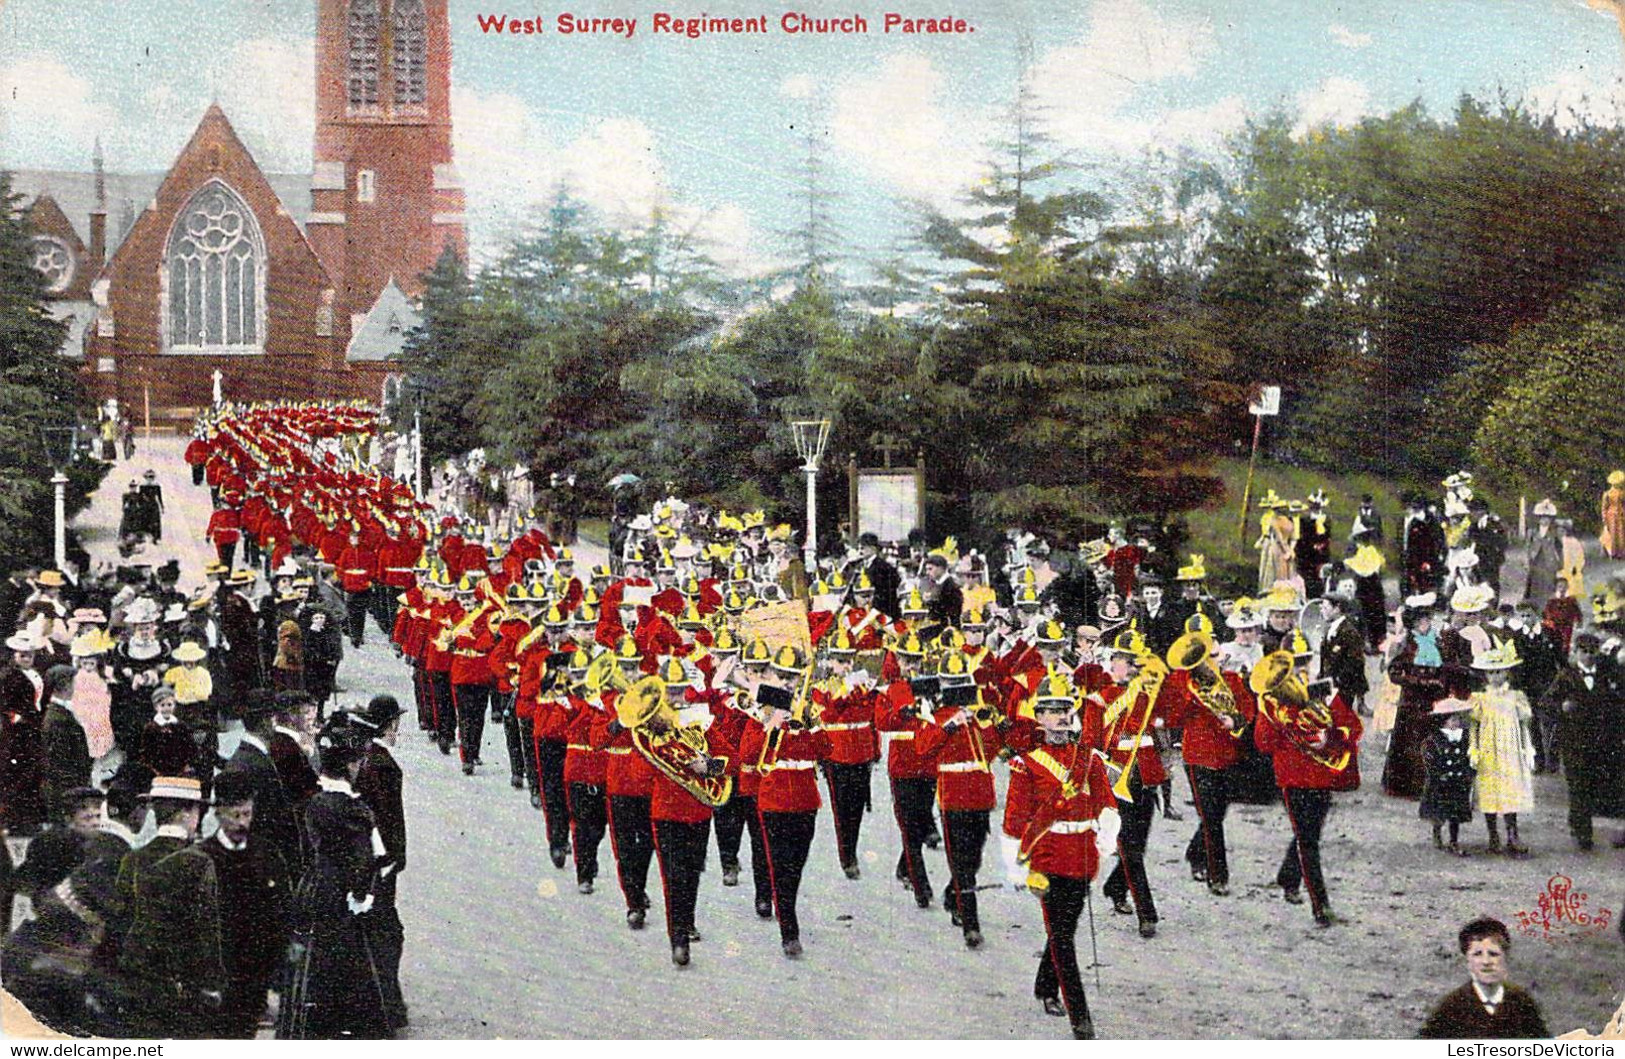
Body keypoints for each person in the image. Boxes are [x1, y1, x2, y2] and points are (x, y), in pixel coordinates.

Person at [1007, 688, 1119, 1040]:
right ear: (1038, 719)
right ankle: (1080, 1018)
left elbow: (1107, 802)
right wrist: (1016, 866)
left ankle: (1044, 985)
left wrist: (1107, 833)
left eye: (1065, 711)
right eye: (1051, 711)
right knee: (1062, 937)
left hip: (1083, 854)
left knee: (1063, 931)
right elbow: (1014, 821)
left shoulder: (1089, 760)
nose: (1061, 717)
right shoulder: (1027, 764)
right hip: (1047, 856)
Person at [277, 713, 392, 1039]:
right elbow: (362, 860)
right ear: (350, 767)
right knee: (347, 959)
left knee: (312, 959)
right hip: (340, 891)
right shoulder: (351, 808)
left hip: (314, 886)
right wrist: (361, 893)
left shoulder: (313, 801)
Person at [1252, 635, 1362, 927]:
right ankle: (1320, 906)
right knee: (1308, 841)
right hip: (1293, 777)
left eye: (1303, 663)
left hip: (1321, 774)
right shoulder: (1272, 703)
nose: (1299, 671)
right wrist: (1272, 713)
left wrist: (1330, 735)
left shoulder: (1325, 691)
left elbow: (1353, 726)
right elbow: (1263, 744)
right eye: (1293, 665)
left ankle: (1288, 877)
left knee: (1309, 833)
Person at [116, 776, 225, 1039]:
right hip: (181, 982)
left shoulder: (132, 859)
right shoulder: (198, 862)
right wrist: (212, 983)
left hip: (137, 977)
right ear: (188, 812)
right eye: (199, 810)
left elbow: (121, 920)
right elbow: (206, 927)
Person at [198, 768, 290, 1038]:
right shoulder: (204, 857)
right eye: (234, 815)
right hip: (217, 977)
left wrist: (277, 974)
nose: (242, 823)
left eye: (247, 814)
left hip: (255, 977)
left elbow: (281, 914)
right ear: (217, 814)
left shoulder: (267, 855)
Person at [354, 694, 410, 1033]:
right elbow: (388, 817)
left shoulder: (368, 756)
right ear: (389, 724)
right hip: (381, 860)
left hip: (374, 859)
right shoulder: (382, 763)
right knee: (387, 931)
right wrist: (395, 857)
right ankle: (386, 1005)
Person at [1540, 633, 1625, 851]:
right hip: (1574, 742)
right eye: (1584, 651)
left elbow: (1617, 703)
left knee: (1596, 784)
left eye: (1592, 652)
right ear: (1575, 652)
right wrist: (1561, 708)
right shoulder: (1566, 676)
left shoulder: (1606, 675)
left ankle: (1584, 822)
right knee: (1578, 786)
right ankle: (1581, 830)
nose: (1588, 656)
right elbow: (1546, 703)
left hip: (1603, 740)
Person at [1419, 918, 1550, 1038]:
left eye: (1493, 954)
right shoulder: (1452, 1007)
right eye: (1477, 954)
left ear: (1506, 957)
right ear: (1467, 960)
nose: (1486, 961)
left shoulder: (1521, 1002)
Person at [1468, 640, 1535, 856]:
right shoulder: (1480, 698)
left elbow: (1525, 724)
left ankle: (1512, 834)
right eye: (1490, 673)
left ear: (1507, 673)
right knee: (1489, 787)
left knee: (1509, 787)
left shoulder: (1515, 697)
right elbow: (1473, 726)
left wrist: (1528, 748)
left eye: (1499, 672)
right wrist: (1473, 748)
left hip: (1509, 748)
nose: (1495, 677)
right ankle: (1492, 834)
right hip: (1489, 748)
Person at [1420, 700, 1474, 855]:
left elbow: (1467, 758)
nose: (1456, 723)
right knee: (1439, 811)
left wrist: (1467, 774)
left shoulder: (1463, 738)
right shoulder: (1434, 740)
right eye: (1452, 719)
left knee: (1455, 814)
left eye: (1458, 719)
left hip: (1457, 782)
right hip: (1440, 782)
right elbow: (1429, 760)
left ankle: (1454, 840)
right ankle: (1437, 834)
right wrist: (1437, 774)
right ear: (1443, 721)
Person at [39, 664, 91, 813]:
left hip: (69, 787)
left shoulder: (64, 713)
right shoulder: (57, 718)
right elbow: (59, 761)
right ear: (65, 686)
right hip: (64, 791)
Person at [1523, 501, 1562, 606]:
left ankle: (1548, 606)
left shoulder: (1555, 532)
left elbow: (1559, 548)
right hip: (1535, 560)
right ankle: (1534, 605)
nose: (1545, 520)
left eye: (1547, 518)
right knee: (1535, 584)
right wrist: (1526, 561)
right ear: (1538, 519)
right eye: (1542, 517)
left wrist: (1561, 563)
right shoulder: (1532, 531)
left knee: (1549, 584)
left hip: (1549, 561)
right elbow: (1527, 547)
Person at [1601, 470, 1625, 561]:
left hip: (1620, 514)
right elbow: (1604, 507)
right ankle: (1613, 552)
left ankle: (1621, 552)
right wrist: (1604, 518)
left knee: (1621, 534)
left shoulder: (1623, 493)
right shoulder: (1607, 494)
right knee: (1613, 534)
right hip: (1611, 515)